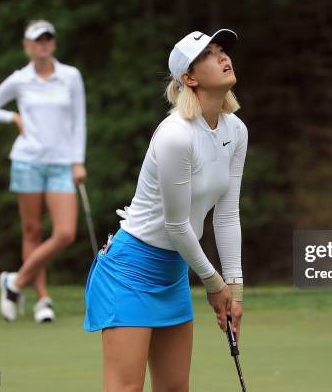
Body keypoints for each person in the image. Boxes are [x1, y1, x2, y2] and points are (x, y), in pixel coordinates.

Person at [83, 29, 247, 391]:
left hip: (173, 270)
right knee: (126, 388)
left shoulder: (236, 130)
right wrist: (212, 281)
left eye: (223, 50)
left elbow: (227, 213)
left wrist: (233, 286)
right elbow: (176, 224)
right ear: (188, 78)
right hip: (130, 269)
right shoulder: (176, 135)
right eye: (209, 54)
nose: (222, 58)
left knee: (174, 387)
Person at [0, 20, 87, 323]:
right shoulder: (19, 79)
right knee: (33, 231)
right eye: (37, 40)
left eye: (48, 39)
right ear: (26, 45)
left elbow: (79, 121)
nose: (43, 44)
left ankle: (13, 282)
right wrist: (13, 116)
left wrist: (78, 161)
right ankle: (42, 301)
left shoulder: (70, 76)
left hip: (62, 163)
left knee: (65, 233)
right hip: (27, 161)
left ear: (53, 43)